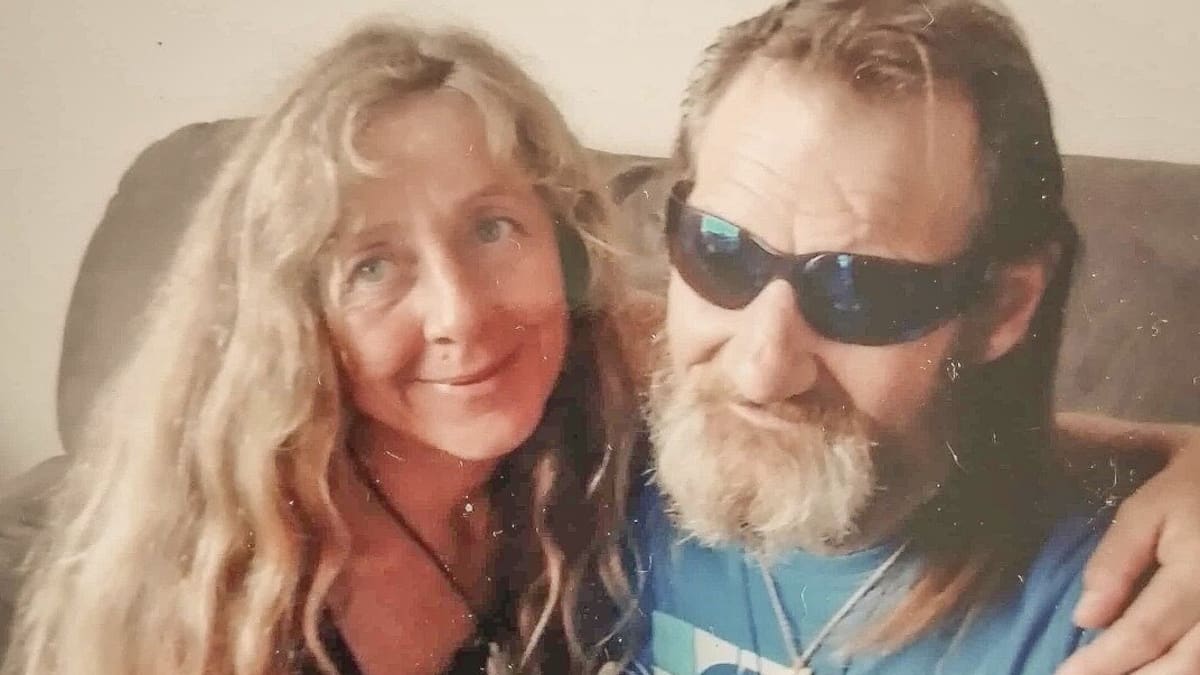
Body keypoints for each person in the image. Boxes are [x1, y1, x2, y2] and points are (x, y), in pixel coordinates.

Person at [4, 23, 643, 675]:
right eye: (372, 267)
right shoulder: (211, 600)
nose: (460, 313)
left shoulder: (606, 421)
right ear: (295, 322)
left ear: (567, 248)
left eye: (491, 229)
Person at [629, 1, 1200, 673]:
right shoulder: (594, 463)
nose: (761, 367)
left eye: (859, 290)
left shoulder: (1124, 617)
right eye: (721, 250)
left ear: (1001, 306)